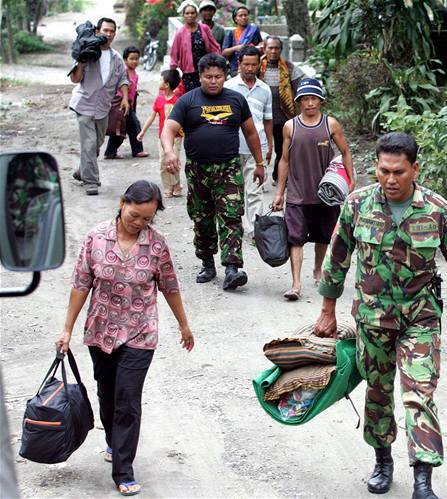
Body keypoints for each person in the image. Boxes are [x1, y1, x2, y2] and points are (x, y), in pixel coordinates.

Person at [313, 132, 447, 499]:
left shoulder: (436, 209)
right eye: (384, 171)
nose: (390, 179)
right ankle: (382, 461)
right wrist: (327, 311)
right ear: (377, 168)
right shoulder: (357, 205)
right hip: (373, 319)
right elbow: (337, 259)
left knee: (419, 394)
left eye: (399, 171)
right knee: (379, 393)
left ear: (414, 169)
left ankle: (423, 479)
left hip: (421, 319)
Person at [55, 180, 194, 497]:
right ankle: (112, 441)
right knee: (107, 394)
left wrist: (184, 325)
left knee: (128, 400)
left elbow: (170, 287)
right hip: (101, 330)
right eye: (135, 215)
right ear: (122, 204)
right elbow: (80, 285)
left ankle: (123, 470)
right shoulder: (96, 237)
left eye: (147, 218)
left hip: (140, 332)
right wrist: (67, 329)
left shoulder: (156, 245)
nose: (140, 223)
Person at [160, 53, 265, 290]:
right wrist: (169, 152)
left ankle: (232, 268)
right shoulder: (188, 101)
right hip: (197, 170)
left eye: (218, 76)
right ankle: (207, 263)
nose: (214, 81)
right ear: (200, 77)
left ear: (225, 76)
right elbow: (169, 129)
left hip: (228, 168)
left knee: (231, 216)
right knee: (202, 218)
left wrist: (260, 163)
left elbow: (250, 132)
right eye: (208, 77)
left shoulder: (236, 100)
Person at [272, 78, 354, 301]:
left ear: (320, 101)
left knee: (323, 236)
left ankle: (318, 270)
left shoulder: (331, 124)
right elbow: (284, 160)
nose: (310, 103)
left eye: (314, 99)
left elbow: (345, 152)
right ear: (299, 102)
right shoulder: (291, 126)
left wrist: (350, 179)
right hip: (298, 192)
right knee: (295, 238)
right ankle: (296, 284)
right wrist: (280, 193)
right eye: (305, 99)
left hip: (326, 193)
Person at [69, 17, 129, 196]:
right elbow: (75, 79)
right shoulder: (87, 52)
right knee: (88, 144)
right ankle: (91, 181)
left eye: (112, 31)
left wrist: (125, 98)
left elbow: (123, 79)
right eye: (105, 30)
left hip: (103, 107)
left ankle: (82, 170)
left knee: (97, 143)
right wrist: (80, 59)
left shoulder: (116, 58)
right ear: (97, 31)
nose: (108, 34)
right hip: (84, 104)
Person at [226, 45, 273, 237]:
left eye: (254, 64)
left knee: (255, 189)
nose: (250, 68)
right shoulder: (228, 87)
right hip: (232, 146)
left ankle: (255, 230)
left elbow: (268, 119)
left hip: (257, 148)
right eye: (246, 64)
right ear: (239, 64)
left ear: (259, 65)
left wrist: (270, 145)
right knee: (234, 190)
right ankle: (234, 227)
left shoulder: (265, 89)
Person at [258, 35, 305, 184]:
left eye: (276, 48)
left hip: (282, 117)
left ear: (281, 50)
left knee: (282, 148)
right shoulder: (257, 67)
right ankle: (259, 176)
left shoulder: (289, 67)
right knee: (260, 148)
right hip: (260, 117)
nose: (273, 51)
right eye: (270, 47)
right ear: (265, 49)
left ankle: (278, 176)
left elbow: (302, 85)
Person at [137, 70, 184, 199]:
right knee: (163, 163)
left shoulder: (177, 101)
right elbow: (152, 117)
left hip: (176, 137)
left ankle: (176, 184)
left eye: (160, 79)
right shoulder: (159, 100)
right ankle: (168, 187)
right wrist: (142, 131)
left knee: (173, 162)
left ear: (167, 84)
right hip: (162, 138)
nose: (159, 82)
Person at [104, 46, 149, 160]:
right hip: (122, 104)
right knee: (132, 126)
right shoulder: (123, 71)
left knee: (122, 129)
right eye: (131, 58)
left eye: (136, 58)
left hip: (130, 104)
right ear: (125, 60)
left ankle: (110, 152)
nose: (134, 61)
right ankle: (137, 150)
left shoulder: (135, 73)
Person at [170, 0, 221, 92]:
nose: (190, 15)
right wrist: (173, 69)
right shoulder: (180, 33)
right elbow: (174, 52)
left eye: (192, 13)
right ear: (183, 15)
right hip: (189, 72)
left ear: (196, 15)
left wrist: (217, 62)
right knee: (192, 97)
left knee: (207, 95)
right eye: (187, 13)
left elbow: (214, 46)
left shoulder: (204, 28)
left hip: (206, 69)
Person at [222, 6, 262, 77]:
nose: (244, 17)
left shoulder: (254, 30)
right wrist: (235, 48)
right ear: (235, 19)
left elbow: (260, 43)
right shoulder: (231, 33)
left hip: (252, 67)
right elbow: (224, 52)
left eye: (245, 15)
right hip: (236, 68)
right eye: (240, 16)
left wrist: (257, 47)